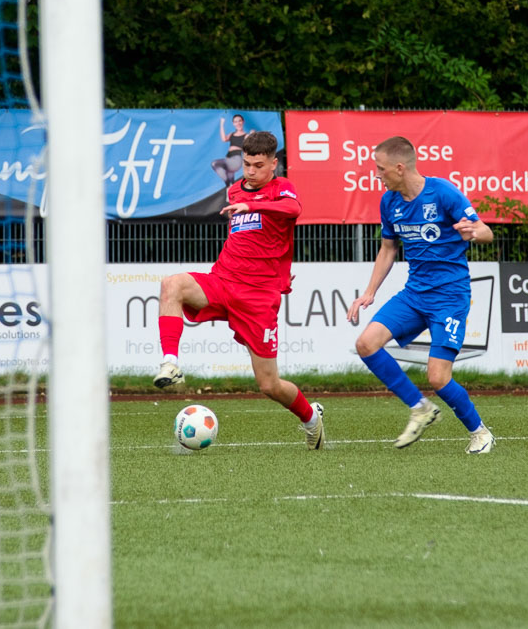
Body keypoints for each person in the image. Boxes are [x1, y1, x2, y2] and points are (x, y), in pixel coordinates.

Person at [153, 131, 325, 450]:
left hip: (258, 298)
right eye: (246, 164)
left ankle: (311, 418)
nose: (250, 171)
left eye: (258, 165)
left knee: (269, 385)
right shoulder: (235, 190)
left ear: (274, 164)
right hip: (223, 280)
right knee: (171, 284)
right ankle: (170, 363)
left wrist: (255, 208)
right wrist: (246, 205)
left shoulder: (282, 188)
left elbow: (293, 211)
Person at [346, 136, 495, 454]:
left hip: (450, 296)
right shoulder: (389, 202)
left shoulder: (442, 192)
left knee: (438, 377)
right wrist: (369, 293)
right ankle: (420, 408)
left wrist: (474, 231)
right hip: (414, 294)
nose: (377, 175)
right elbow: (388, 248)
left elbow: (485, 231)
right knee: (366, 344)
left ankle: (480, 432)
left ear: (399, 168)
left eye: (380, 169)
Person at [210, 114, 252, 186]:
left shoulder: (247, 135)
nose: (238, 123)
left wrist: (252, 134)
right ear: (233, 123)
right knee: (231, 183)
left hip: (236, 159)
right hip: (228, 157)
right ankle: (229, 186)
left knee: (215, 163)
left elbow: (250, 145)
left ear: (243, 122)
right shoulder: (232, 134)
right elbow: (224, 139)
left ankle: (227, 182)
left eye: (239, 121)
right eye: (235, 122)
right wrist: (222, 124)